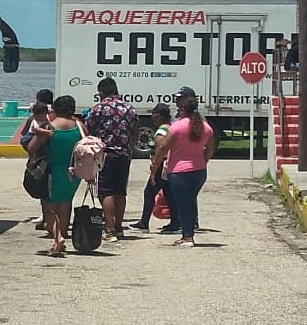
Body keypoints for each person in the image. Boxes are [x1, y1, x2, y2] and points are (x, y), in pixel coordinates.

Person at [151, 93, 214, 247]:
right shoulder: (205, 127)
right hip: (199, 171)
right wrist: (202, 161)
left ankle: (187, 236)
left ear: (183, 110)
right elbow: (211, 148)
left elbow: (163, 146)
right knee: (190, 201)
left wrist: (155, 165)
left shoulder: (178, 126)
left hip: (179, 171)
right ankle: (189, 232)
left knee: (183, 203)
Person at [27, 95, 85, 256]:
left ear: (55, 109)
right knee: (65, 204)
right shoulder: (79, 126)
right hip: (73, 172)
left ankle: (58, 238)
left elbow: (31, 148)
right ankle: (62, 234)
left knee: (49, 209)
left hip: (52, 171)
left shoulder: (49, 127)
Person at [85, 77, 138, 243]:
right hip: (124, 154)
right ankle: (119, 226)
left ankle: (109, 230)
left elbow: (88, 129)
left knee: (106, 192)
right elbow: (135, 131)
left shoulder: (99, 109)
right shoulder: (129, 108)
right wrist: (130, 146)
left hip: (105, 155)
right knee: (120, 191)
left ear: (101, 92)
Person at [127, 103, 176, 232]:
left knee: (149, 193)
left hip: (161, 167)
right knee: (169, 194)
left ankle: (144, 223)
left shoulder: (161, 132)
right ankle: (176, 222)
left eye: (153, 114)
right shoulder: (171, 128)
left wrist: (154, 168)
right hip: (168, 166)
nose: (152, 117)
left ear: (159, 116)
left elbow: (161, 150)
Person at [20, 89, 54, 229]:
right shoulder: (53, 115)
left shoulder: (33, 117)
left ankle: (46, 218)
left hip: (38, 157)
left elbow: (24, 136)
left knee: (42, 187)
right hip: (51, 155)